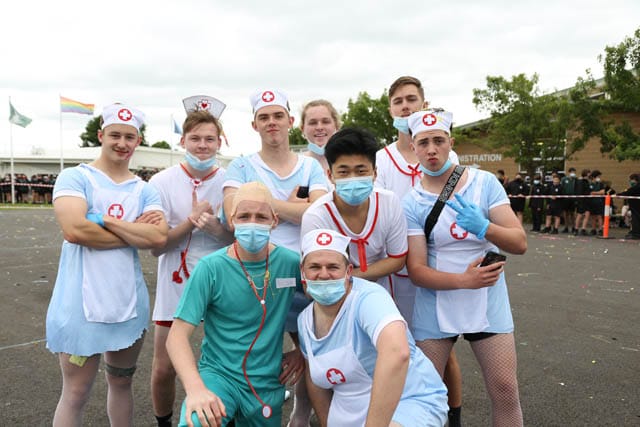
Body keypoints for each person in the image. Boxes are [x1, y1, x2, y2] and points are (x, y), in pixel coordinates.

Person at [45, 103, 169, 426]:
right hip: (79, 309)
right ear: (101, 135)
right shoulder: (76, 177)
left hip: (128, 306)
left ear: (138, 140)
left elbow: (158, 238)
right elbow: (75, 230)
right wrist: (133, 232)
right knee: (76, 392)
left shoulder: (144, 190)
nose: (122, 143)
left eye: (130, 137)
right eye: (115, 135)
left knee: (122, 382)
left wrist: (104, 221)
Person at [403, 109, 527, 426]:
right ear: (414, 147)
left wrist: (485, 227)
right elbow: (416, 271)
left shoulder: (484, 183)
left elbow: (518, 243)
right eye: (423, 143)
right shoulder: (411, 201)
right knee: (424, 395)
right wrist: (464, 280)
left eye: (438, 140)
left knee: (505, 389)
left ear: (451, 142)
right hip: (437, 301)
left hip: (487, 299)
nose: (432, 149)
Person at [222, 89, 329, 427]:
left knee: (311, 351)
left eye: (278, 115)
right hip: (253, 271)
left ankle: (302, 415)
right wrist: (293, 208)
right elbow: (232, 216)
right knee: (252, 351)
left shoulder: (310, 167)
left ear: (290, 121)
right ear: (254, 124)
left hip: (302, 273)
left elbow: (319, 212)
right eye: (264, 117)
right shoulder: (241, 165)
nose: (272, 122)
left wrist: (263, 204)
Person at [167, 182, 303, 427]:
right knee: (197, 422)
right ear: (231, 220)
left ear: (274, 221)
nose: (252, 223)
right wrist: (196, 389)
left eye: (261, 217)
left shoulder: (291, 263)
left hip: (267, 382)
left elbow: (319, 306)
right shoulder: (210, 268)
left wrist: (301, 349)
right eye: (244, 216)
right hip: (220, 376)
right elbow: (176, 336)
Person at [375, 76, 463, 427]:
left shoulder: (445, 154)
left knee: (440, 348)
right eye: (398, 101)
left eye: (411, 99)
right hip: (396, 266)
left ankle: (453, 413)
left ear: (424, 105)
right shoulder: (381, 158)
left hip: (434, 264)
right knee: (398, 344)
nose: (405, 106)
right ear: (390, 110)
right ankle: (404, 412)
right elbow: (379, 210)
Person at [297, 228, 448, 427]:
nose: (324, 275)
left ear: (348, 271)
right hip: (350, 411)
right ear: (303, 272)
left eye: (333, 267)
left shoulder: (369, 299)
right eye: (315, 267)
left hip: (409, 400)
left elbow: (397, 353)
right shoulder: (305, 321)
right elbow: (315, 382)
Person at [149, 98, 233, 427]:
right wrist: (191, 221)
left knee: (228, 359)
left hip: (221, 278)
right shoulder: (161, 182)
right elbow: (156, 248)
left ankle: (230, 414)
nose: (202, 145)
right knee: (164, 367)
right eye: (195, 138)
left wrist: (216, 229)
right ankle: (164, 422)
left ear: (219, 141)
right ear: (182, 140)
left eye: (209, 139)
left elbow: (240, 239)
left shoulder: (231, 180)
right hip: (175, 278)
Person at [300, 127, 408, 295]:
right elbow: (310, 282)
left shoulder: (389, 202)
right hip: (335, 298)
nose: (353, 179)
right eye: (343, 172)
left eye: (361, 171)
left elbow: (398, 259)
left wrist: (351, 277)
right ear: (330, 175)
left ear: (375, 173)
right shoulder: (316, 216)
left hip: (380, 295)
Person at [300, 99, 340, 172]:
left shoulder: (351, 161)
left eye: (325, 122)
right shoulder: (295, 166)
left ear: (336, 126)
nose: (319, 127)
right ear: (303, 128)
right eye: (313, 123)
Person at [618, 173, 640, 240]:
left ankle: (636, 234)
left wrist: (617, 195)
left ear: (635, 179)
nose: (630, 181)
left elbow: (628, 192)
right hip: (635, 206)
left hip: (636, 207)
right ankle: (633, 232)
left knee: (636, 220)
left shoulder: (637, 187)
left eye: (631, 180)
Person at [574, 169, 592, 236]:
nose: (589, 174)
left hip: (587, 200)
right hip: (581, 200)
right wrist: (578, 200)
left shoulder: (587, 181)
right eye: (588, 173)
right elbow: (579, 191)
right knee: (580, 215)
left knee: (587, 214)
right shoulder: (580, 181)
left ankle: (583, 229)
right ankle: (576, 229)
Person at [560, 167, 578, 233]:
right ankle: (566, 227)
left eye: (574, 172)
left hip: (573, 198)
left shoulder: (576, 180)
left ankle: (573, 227)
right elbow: (561, 188)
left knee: (572, 213)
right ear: (569, 172)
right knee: (565, 214)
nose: (573, 173)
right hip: (565, 198)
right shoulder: (564, 179)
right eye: (572, 172)